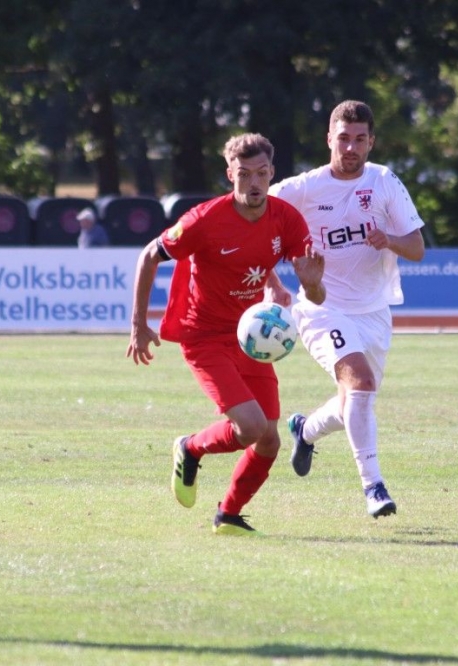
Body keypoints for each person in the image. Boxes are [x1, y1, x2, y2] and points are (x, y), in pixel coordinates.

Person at [126, 133, 325, 535]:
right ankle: (190, 447)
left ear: (272, 174)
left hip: (251, 338)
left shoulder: (286, 219)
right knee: (250, 428)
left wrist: (310, 284)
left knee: (269, 440)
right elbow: (150, 255)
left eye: (262, 173)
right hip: (205, 336)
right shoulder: (204, 220)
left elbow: (311, 290)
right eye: (245, 174)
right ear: (229, 174)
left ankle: (229, 514)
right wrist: (139, 324)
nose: (254, 183)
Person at [269, 100, 426, 519]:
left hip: (374, 313)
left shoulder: (385, 182)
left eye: (359, 139)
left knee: (355, 400)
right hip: (322, 307)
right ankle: (373, 486)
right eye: (343, 138)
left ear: (371, 142)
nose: (350, 147)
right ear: (329, 139)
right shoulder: (303, 187)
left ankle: (305, 430)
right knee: (358, 383)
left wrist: (388, 239)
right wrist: (273, 282)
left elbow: (417, 248)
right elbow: (254, 216)